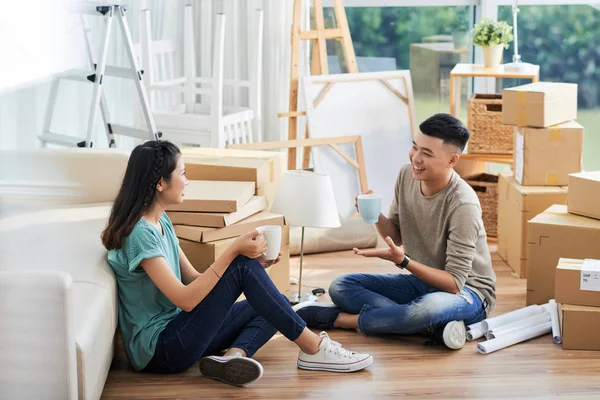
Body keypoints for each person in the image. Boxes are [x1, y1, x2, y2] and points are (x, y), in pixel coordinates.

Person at [101, 140, 373, 387]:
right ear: (160, 183)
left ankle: (234, 356)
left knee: (272, 299)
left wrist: (256, 271)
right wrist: (234, 253)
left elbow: (194, 279)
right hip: (160, 351)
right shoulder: (139, 234)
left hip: (180, 331)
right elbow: (185, 299)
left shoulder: (161, 222)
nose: (187, 180)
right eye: (182, 174)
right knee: (242, 267)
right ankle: (314, 348)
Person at [294, 113, 496, 350]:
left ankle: (345, 320)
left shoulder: (463, 204)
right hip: (422, 281)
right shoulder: (406, 175)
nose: (416, 158)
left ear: (452, 160)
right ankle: (423, 324)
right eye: (414, 147)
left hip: (469, 292)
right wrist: (375, 214)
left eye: (427, 154)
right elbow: (397, 235)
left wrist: (404, 261)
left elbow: (453, 283)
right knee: (341, 286)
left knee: (430, 308)